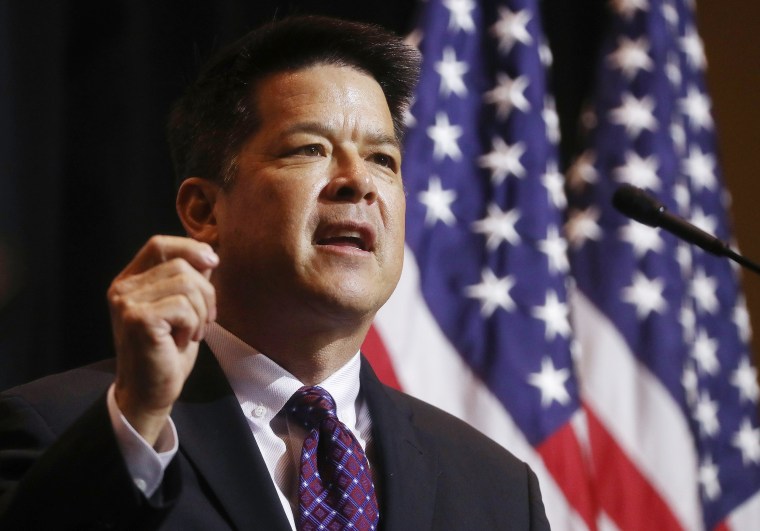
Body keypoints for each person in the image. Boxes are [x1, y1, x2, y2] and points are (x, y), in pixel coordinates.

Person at [0, 15, 550, 530]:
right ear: (203, 211)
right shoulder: (61, 429)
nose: (357, 182)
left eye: (383, 160)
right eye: (310, 149)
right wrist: (138, 418)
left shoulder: (497, 490)